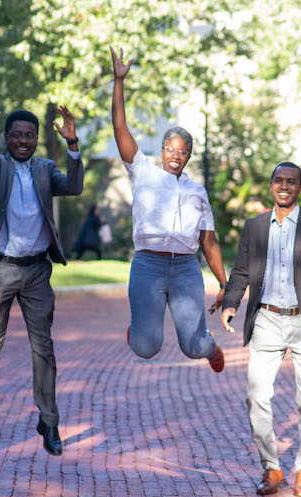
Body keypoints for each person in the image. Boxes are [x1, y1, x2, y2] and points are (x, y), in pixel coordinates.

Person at [0, 91, 83, 459]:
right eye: (17, 135)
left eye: (30, 136)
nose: (24, 141)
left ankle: (49, 421)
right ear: (6, 138)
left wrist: (72, 143)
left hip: (37, 273)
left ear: (36, 139)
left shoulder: (46, 169)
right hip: (0, 270)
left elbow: (74, 186)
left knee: (44, 351)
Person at [220, 163, 301, 496]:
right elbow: (241, 272)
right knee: (256, 396)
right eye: (279, 180)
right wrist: (231, 302)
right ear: (271, 185)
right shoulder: (255, 226)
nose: (285, 186)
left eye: (292, 182)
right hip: (266, 321)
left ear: (300, 189)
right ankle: (272, 468)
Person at [110, 46, 227, 372]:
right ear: (162, 151)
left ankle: (210, 345)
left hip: (186, 270)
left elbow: (209, 242)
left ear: (188, 156)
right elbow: (120, 128)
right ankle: (139, 330)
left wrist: (223, 282)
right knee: (147, 347)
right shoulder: (142, 173)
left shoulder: (196, 191)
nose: (176, 155)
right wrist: (119, 81)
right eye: (171, 149)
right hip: (148, 266)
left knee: (195, 347)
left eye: (183, 151)